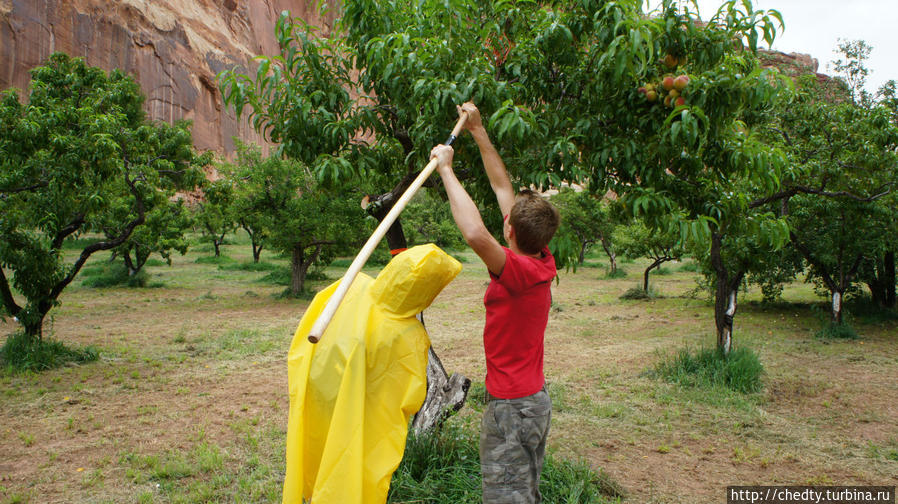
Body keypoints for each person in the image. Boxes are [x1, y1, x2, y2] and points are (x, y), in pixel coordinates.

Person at [430, 101, 560, 504]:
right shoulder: (539, 259)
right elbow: (503, 187)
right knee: (526, 494)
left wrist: (445, 170)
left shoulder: (516, 272)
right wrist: (478, 130)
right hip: (534, 403)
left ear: (509, 228)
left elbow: (474, 234)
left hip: (512, 410)